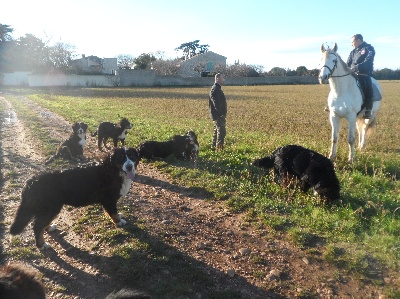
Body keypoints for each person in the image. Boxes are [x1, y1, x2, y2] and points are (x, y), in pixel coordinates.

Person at [347, 34, 375, 119]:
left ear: (358, 40)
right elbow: (347, 63)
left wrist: (357, 67)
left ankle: (368, 110)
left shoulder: (369, 49)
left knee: (368, 89)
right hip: (352, 74)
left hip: (364, 74)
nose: (351, 44)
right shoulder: (353, 52)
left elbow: (369, 61)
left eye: (352, 42)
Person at [208, 73, 227, 150]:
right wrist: (221, 114)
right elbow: (216, 104)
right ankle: (219, 149)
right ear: (217, 79)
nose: (223, 80)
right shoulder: (215, 89)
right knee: (221, 132)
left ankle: (213, 147)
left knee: (216, 132)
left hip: (218, 115)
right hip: (218, 115)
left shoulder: (217, 89)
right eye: (222, 78)